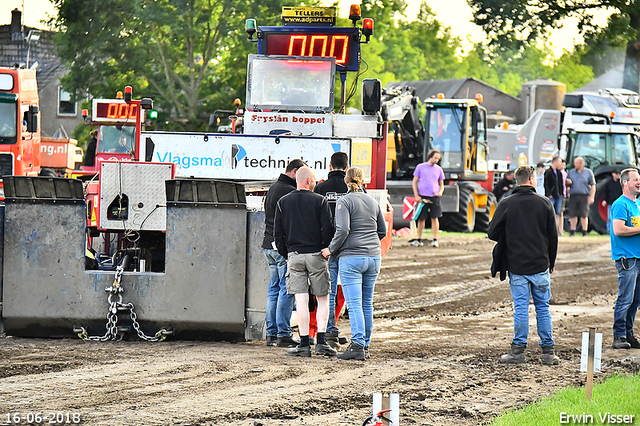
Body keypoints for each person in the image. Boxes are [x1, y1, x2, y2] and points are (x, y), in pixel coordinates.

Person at [488, 166, 560, 365]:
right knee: (542, 308)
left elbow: (492, 232)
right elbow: (553, 237)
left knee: (520, 308)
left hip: (517, 266)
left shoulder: (507, 203)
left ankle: (518, 351)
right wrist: (551, 261)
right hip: (540, 265)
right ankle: (548, 352)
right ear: (531, 179)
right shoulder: (545, 203)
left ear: (517, 181)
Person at [322, 167, 387, 360]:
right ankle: (365, 345)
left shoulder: (344, 202)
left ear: (345, 181)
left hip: (352, 258)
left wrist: (331, 249)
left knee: (354, 303)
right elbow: (382, 231)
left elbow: (342, 230)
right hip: (374, 257)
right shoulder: (371, 201)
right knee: (367, 303)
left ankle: (357, 344)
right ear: (363, 180)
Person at [274, 166, 337, 358]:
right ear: (308, 180)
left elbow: (278, 234)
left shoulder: (283, 202)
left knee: (300, 300)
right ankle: (322, 342)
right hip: (316, 254)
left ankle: (303, 344)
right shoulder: (320, 201)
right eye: (315, 179)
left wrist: (288, 254)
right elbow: (328, 229)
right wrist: (325, 249)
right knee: (323, 298)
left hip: (294, 255)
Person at [261, 159, 305, 348]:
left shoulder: (273, 188)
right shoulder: (288, 192)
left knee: (273, 290)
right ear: (294, 172)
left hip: (267, 245)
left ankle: (271, 334)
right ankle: (283, 333)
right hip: (281, 247)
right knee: (286, 291)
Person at [314, 151, 349, 349]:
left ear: (329, 166)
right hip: (347, 246)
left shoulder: (320, 188)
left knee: (327, 290)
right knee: (347, 289)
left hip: (325, 247)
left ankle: (328, 329)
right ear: (346, 167)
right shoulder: (352, 189)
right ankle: (333, 328)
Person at [609, 168, 640, 349]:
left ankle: (629, 334)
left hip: (638, 257)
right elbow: (618, 229)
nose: (638, 182)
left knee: (636, 300)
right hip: (627, 259)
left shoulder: (637, 205)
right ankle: (619, 336)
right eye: (635, 179)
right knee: (625, 299)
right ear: (625, 183)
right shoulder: (621, 204)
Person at [411, 150, 444, 247]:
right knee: (422, 218)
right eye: (435, 158)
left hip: (434, 196)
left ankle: (435, 239)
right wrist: (416, 195)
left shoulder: (439, 169)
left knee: (435, 217)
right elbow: (414, 182)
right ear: (430, 157)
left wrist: (440, 192)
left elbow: (441, 184)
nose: (437, 160)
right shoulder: (420, 167)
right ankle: (419, 238)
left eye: (438, 158)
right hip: (423, 196)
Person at [567, 157, 596, 237]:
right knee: (572, 214)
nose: (574, 165)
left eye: (576, 163)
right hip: (573, 195)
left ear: (581, 164)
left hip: (584, 196)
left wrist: (592, 196)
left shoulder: (588, 172)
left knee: (584, 214)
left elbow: (593, 185)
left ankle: (584, 232)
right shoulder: (571, 172)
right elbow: (567, 184)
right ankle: (572, 231)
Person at [544, 156, 565, 233]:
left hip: (558, 195)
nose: (560, 164)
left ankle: (555, 230)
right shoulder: (548, 172)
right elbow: (546, 184)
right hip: (551, 196)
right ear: (555, 162)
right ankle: (549, 230)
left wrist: (561, 193)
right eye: (559, 162)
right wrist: (549, 193)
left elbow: (561, 184)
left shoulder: (559, 173)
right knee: (550, 213)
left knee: (557, 213)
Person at [602, 169, 623, 233]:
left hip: (619, 203)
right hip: (611, 203)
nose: (618, 175)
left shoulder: (621, 184)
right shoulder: (609, 183)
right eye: (617, 174)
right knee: (610, 218)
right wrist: (604, 200)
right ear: (613, 174)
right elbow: (605, 192)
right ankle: (609, 231)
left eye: (619, 174)